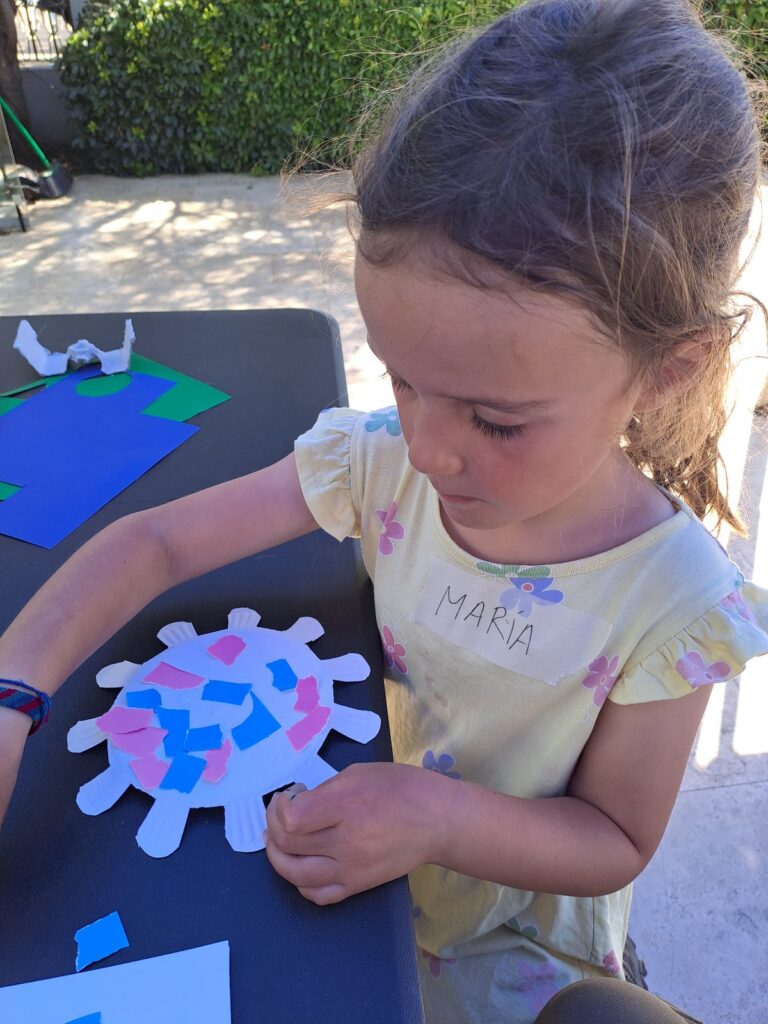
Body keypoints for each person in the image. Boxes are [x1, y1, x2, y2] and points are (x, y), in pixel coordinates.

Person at [1, 0, 767, 1020]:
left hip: (500, 944)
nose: (430, 447)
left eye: (497, 420)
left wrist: (438, 817)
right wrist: (12, 692)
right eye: (402, 378)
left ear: (667, 370)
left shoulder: (673, 603)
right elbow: (157, 541)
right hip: (324, 873)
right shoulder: (381, 464)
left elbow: (615, 838)